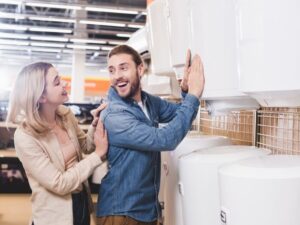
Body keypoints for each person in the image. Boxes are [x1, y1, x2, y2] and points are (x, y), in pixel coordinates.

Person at [96, 45, 205, 225]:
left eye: (123, 68)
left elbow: (180, 113)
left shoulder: (148, 101)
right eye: (111, 70)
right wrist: (194, 95)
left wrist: (186, 92)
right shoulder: (114, 114)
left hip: (146, 210)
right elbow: (165, 139)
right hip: (121, 213)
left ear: (140, 69)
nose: (117, 76)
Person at [6, 62, 108, 225]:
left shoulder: (65, 115)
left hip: (80, 202)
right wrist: (97, 156)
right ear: (41, 96)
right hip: (54, 215)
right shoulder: (25, 136)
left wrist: (95, 125)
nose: (64, 83)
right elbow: (59, 183)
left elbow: (86, 146)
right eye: (57, 82)